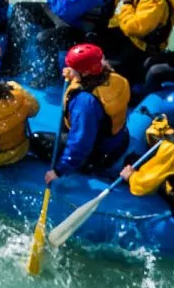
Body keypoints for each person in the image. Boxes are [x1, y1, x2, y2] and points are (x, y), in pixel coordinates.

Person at [42, 44, 131, 185]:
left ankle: (89, 166)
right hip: (119, 139)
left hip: (96, 151)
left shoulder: (85, 102)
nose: (69, 69)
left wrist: (59, 171)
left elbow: (81, 142)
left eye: (73, 69)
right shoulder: (115, 77)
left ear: (84, 73)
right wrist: (73, 73)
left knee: (37, 140)